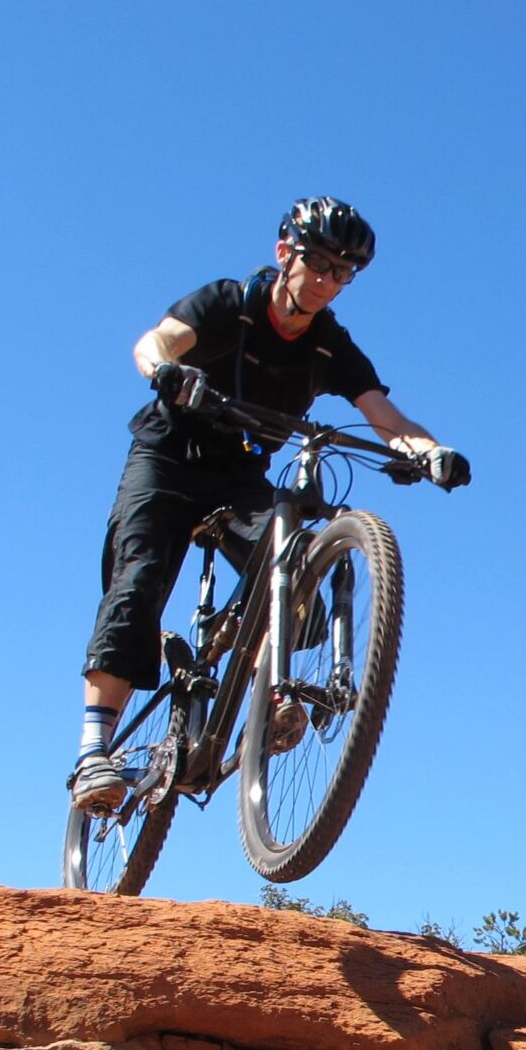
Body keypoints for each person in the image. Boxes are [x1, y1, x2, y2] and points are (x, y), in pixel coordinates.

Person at [69, 196, 470, 811]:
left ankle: (271, 693)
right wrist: (166, 371)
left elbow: (382, 414)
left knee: (294, 567)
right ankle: (94, 752)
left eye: (343, 273)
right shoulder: (230, 303)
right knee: (139, 583)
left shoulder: (329, 345)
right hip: (168, 458)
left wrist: (429, 451)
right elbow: (156, 342)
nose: (328, 281)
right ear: (286, 254)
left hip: (240, 474)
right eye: (320, 263)